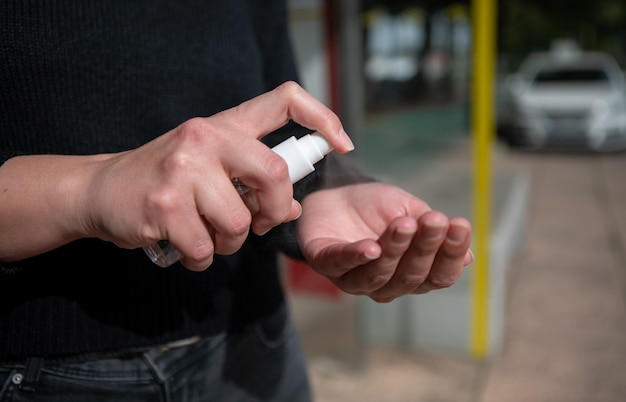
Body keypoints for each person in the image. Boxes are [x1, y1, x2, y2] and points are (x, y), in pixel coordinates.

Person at [0, 1, 473, 401]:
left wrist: (323, 193)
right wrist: (88, 188)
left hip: (256, 346)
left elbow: (279, 123)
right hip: (49, 371)